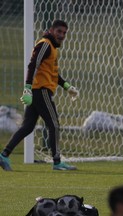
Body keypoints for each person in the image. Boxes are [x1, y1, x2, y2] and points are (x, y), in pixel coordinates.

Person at [0, 20, 79, 171]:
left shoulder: (53, 48)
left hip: (39, 90)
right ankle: (57, 162)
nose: (62, 35)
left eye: (64, 33)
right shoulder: (45, 44)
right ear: (51, 30)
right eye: (59, 31)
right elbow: (33, 64)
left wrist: (67, 86)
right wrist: (27, 88)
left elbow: (52, 73)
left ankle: (4, 155)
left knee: (28, 126)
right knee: (54, 124)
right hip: (41, 91)